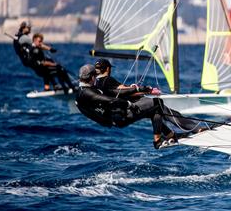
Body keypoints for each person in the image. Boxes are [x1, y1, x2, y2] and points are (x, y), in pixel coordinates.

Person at [76, 63, 205, 148]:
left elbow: (114, 94)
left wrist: (136, 91)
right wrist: (129, 103)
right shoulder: (87, 93)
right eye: (95, 76)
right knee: (156, 103)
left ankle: (171, 135)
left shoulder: (83, 91)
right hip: (119, 117)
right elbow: (111, 100)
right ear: (92, 77)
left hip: (116, 117)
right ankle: (158, 141)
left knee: (153, 109)